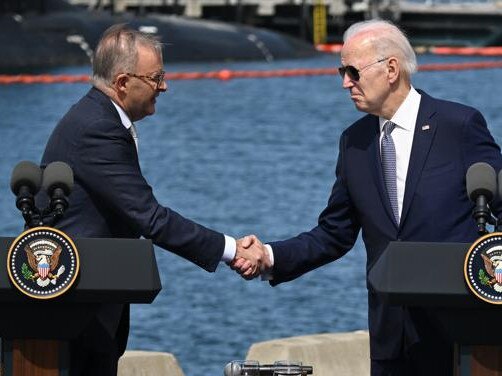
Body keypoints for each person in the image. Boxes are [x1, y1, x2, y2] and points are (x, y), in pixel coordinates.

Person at [233, 20, 502, 375]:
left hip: (464, 336)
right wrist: (268, 256)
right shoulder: (354, 142)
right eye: (341, 71)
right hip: (392, 338)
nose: (345, 82)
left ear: (391, 69)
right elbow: (334, 233)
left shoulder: (459, 126)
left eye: (352, 72)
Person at [39, 24, 269, 375]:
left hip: (91, 302)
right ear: (121, 83)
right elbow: (150, 218)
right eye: (156, 77)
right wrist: (233, 250)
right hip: (78, 309)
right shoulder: (96, 129)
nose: (164, 86)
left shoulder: (98, 118)